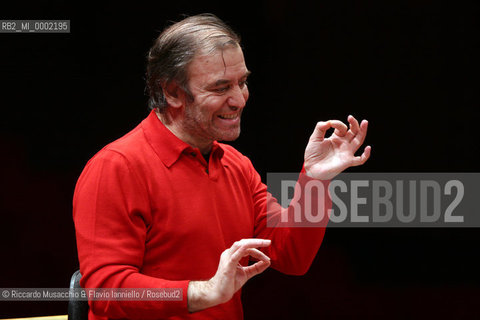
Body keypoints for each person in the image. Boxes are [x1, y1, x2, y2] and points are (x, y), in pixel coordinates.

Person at [73, 13, 371, 320]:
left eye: (242, 82)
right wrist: (204, 292)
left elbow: (292, 256)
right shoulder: (116, 167)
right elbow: (105, 290)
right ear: (173, 92)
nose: (239, 100)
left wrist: (315, 180)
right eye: (220, 88)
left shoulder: (237, 165)